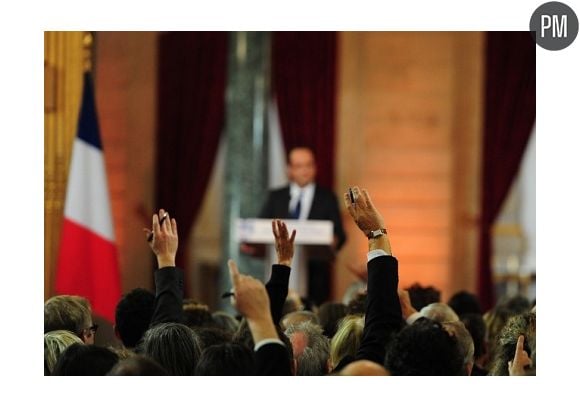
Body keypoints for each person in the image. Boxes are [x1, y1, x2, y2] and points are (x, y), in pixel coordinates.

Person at [256, 147, 346, 305]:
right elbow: (260, 227)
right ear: (289, 169)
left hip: (316, 278)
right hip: (280, 273)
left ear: (315, 168)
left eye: (308, 165)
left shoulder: (327, 197)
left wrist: (334, 241)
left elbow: (340, 233)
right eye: (298, 166)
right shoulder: (276, 197)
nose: (304, 170)